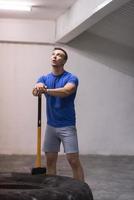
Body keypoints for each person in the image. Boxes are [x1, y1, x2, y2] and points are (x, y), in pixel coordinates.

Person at [32, 47, 84, 181]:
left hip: (67, 126)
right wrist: (38, 88)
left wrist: (46, 90)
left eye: (59, 55)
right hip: (51, 126)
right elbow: (36, 89)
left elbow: (67, 91)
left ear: (64, 60)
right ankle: (52, 191)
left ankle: (82, 191)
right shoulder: (44, 78)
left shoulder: (71, 78)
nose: (55, 56)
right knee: (50, 161)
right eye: (53, 54)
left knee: (73, 160)